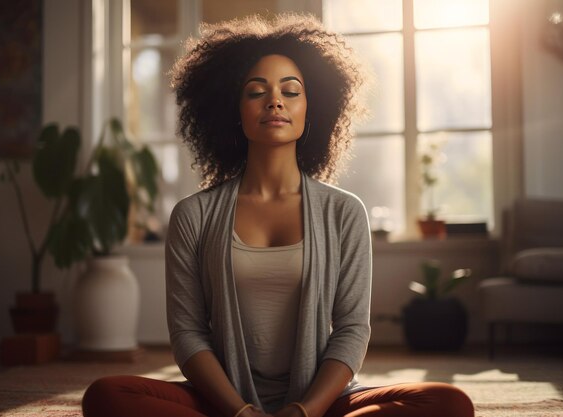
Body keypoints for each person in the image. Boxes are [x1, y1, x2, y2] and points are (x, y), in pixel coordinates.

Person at [82, 13, 475, 417]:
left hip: (322, 404)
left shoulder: (344, 212)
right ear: (233, 109)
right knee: (107, 396)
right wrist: (239, 411)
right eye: (256, 92)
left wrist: (305, 410)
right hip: (222, 403)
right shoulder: (193, 216)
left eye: (291, 91)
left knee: (448, 404)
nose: (275, 101)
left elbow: (352, 331)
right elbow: (188, 334)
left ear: (312, 109)